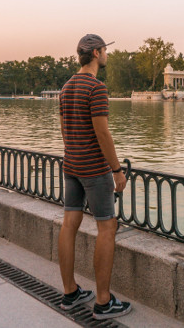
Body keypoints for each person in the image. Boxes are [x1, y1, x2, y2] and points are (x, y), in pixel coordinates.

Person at [58, 33, 131, 320]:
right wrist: (116, 170)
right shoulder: (96, 87)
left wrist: (74, 152)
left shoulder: (66, 87)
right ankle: (103, 301)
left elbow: (65, 130)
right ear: (97, 53)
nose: (106, 55)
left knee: (69, 224)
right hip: (94, 170)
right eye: (105, 50)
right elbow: (102, 132)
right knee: (107, 228)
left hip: (71, 166)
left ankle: (70, 292)